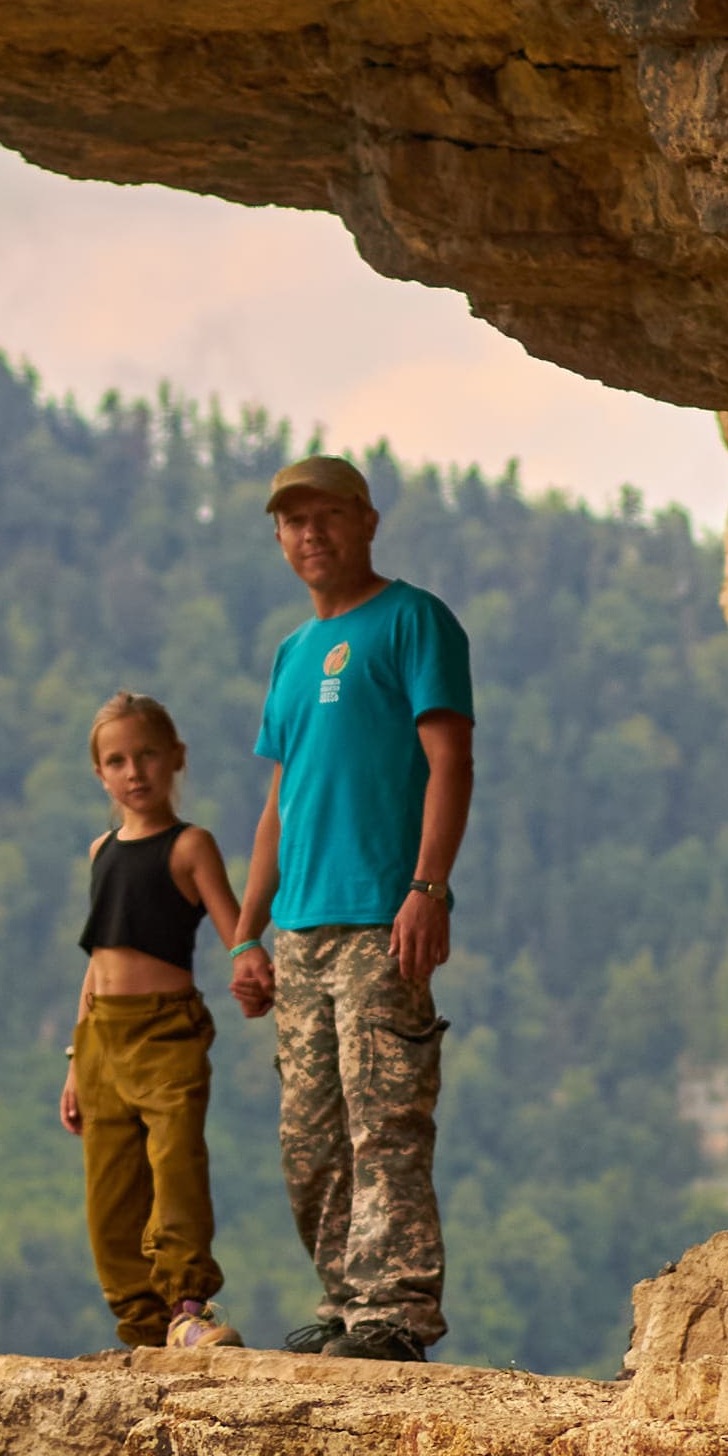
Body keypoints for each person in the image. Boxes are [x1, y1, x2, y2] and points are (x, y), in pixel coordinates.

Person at [227, 457, 474, 1361]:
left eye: (328, 516)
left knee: (387, 1121)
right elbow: (278, 806)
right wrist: (248, 932)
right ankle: (343, 1308)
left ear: (368, 521)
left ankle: (395, 1317)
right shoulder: (293, 656)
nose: (311, 535)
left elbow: (451, 761)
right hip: (299, 932)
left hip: (382, 917)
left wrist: (427, 888)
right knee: (311, 1141)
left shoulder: (415, 621)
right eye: (294, 522)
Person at [60, 691, 247, 1351]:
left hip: (165, 1032)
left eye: (146, 756)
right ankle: (142, 1329)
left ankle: (186, 1306)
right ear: (100, 775)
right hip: (101, 1037)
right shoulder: (101, 849)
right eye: (116, 761)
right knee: (109, 1194)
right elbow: (99, 956)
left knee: (175, 1165)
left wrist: (252, 964)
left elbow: (235, 930)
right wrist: (75, 1062)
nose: (133, 772)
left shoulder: (189, 845)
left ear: (176, 760)